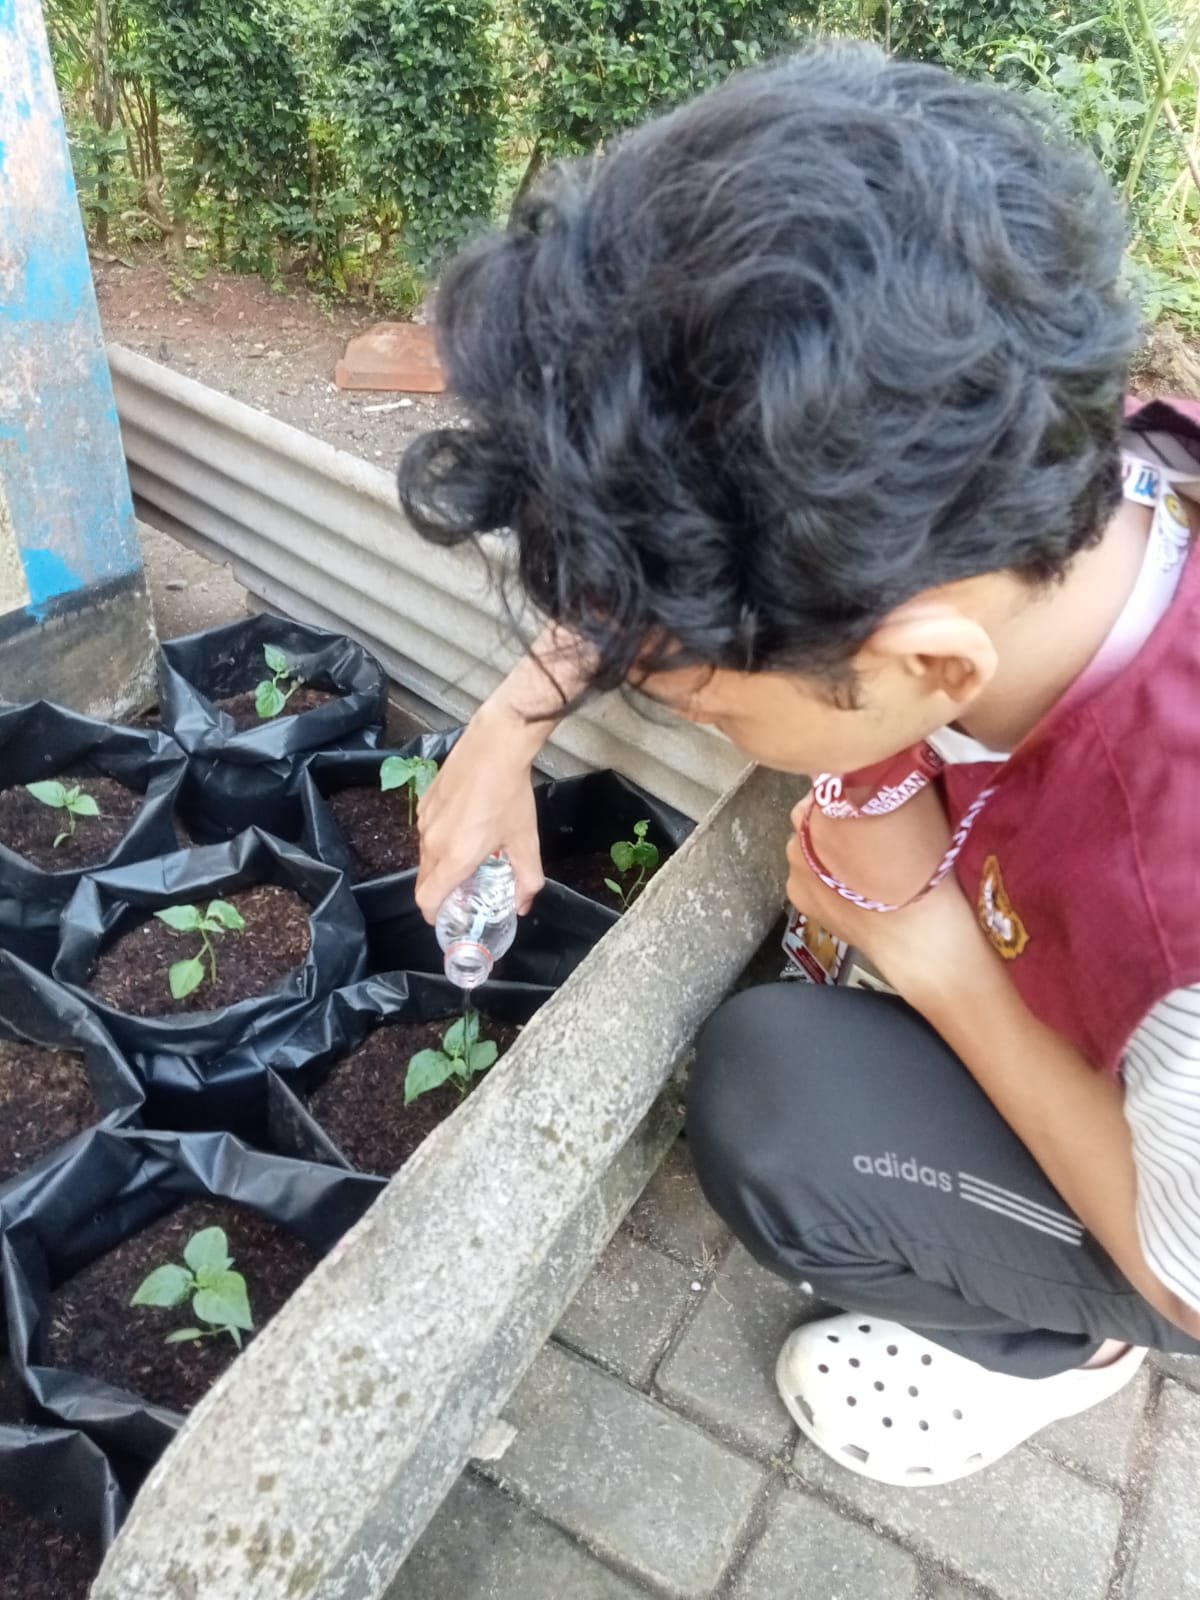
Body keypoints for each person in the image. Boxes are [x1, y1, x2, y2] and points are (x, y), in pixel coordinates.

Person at [397, 41, 1200, 1487]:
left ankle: (1048, 1355)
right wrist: (510, 720)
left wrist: (927, 946)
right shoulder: (1072, 464)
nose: (690, 709)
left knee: (777, 1102)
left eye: (709, 707)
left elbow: (1192, 1265)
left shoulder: (1185, 923)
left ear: (925, 667)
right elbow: (713, 539)